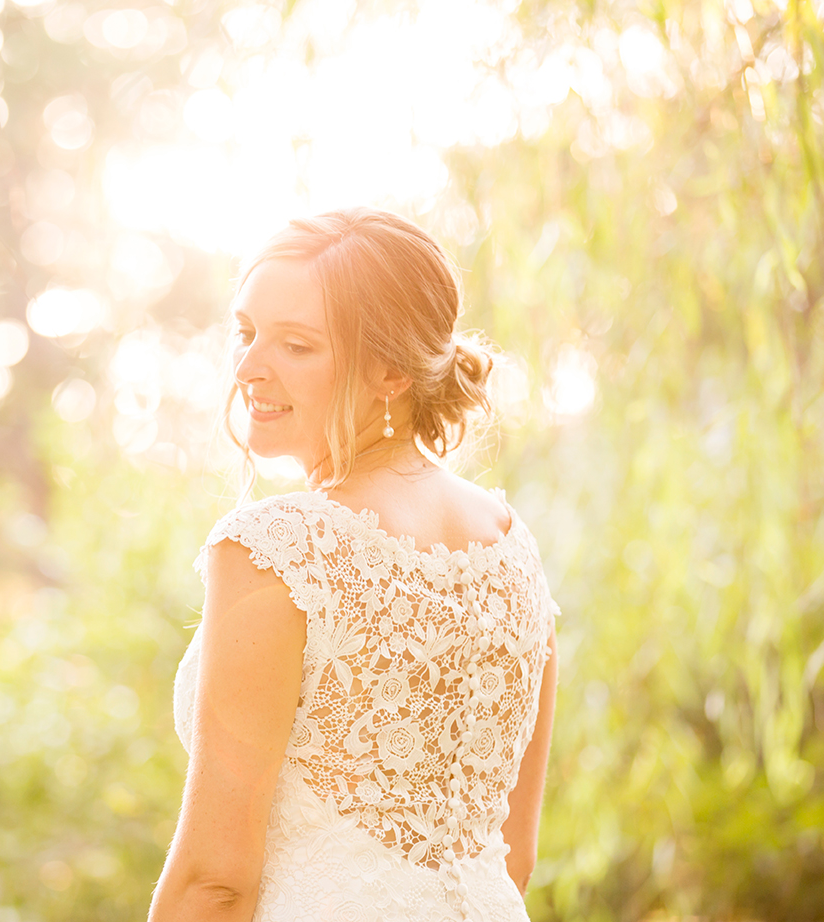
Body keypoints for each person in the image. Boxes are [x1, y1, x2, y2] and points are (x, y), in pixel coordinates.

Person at [149, 207, 560, 922]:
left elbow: (216, 881)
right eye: (245, 333)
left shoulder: (278, 548)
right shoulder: (513, 549)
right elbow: (513, 859)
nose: (248, 368)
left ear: (390, 371)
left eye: (296, 345)